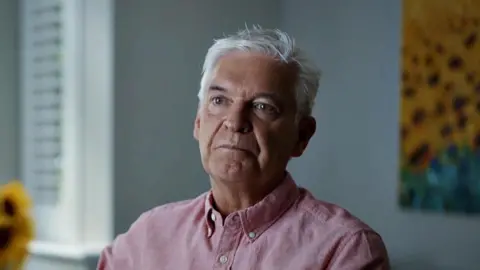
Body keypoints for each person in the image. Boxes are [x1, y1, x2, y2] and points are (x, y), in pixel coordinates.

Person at [97, 26, 390, 270]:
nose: (235, 122)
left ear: (302, 136)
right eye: (219, 101)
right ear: (198, 123)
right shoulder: (148, 235)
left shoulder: (345, 249)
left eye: (263, 106)